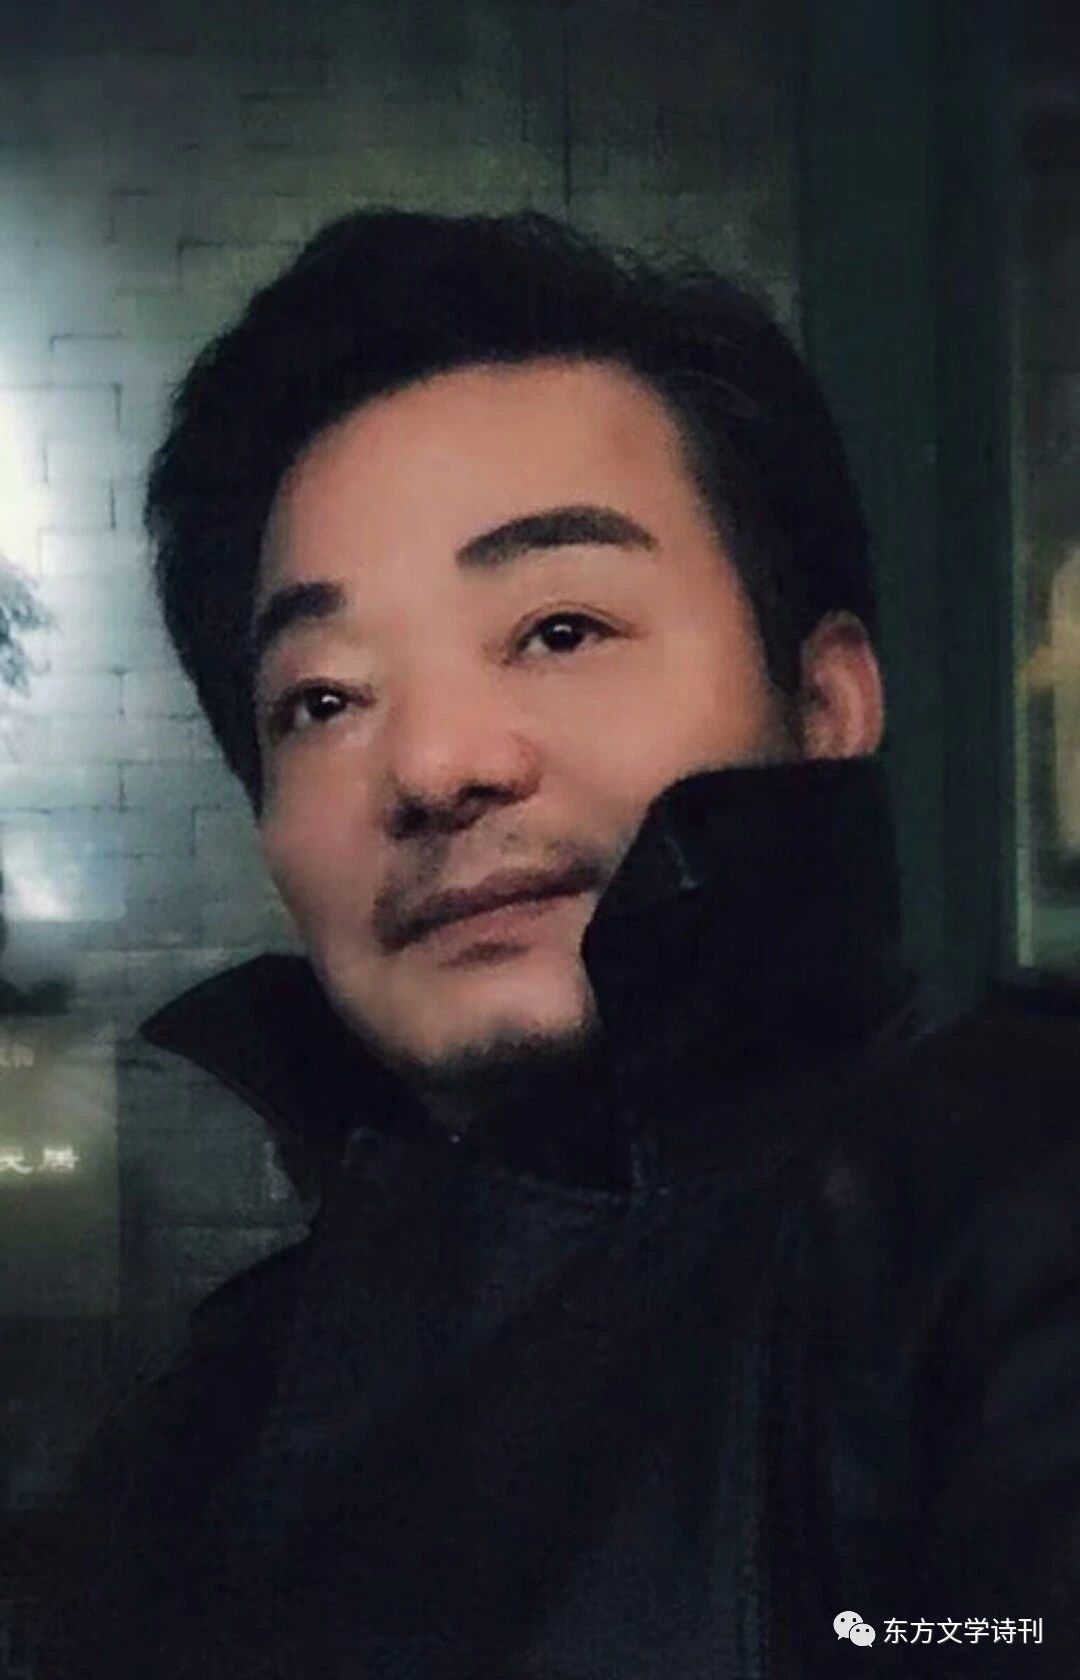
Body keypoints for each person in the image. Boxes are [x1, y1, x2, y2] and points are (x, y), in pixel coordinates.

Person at [50, 210, 1080, 1678]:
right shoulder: (200, 1430)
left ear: (826, 703)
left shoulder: (1000, 1228)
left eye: (560, 630)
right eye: (324, 701)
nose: (436, 765)